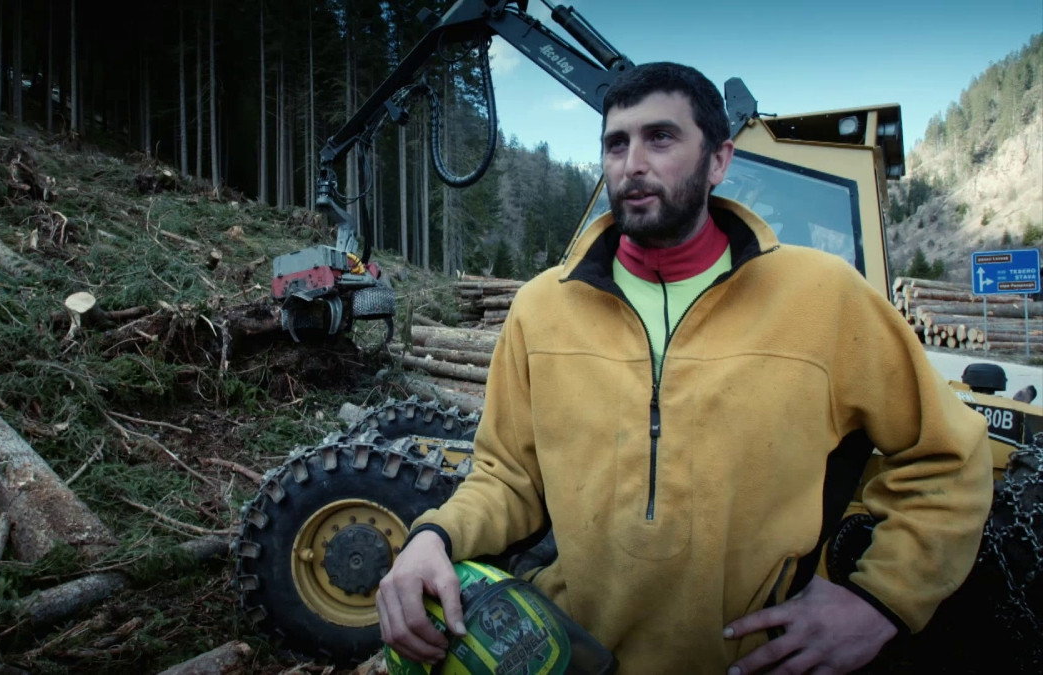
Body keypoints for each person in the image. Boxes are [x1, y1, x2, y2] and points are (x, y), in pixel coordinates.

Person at [377, 62, 992, 673]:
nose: (632, 163)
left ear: (718, 161)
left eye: (661, 138)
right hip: (575, 653)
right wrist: (434, 536)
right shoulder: (542, 309)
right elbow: (507, 477)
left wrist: (878, 601)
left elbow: (948, 457)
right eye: (616, 143)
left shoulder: (826, 299)